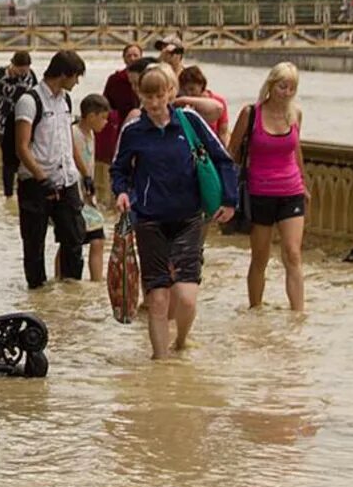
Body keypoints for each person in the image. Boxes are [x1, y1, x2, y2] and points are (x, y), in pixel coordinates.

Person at [112, 64, 238, 360]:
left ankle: (181, 340)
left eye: (159, 95)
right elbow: (120, 169)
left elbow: (223, 159)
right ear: (140, 95)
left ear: (170, 92)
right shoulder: (133, 130)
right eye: (148, 96)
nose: (154, 103)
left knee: (186, 298)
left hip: (188, 219)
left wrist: (230, 200)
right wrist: (122, 192)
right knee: (157, 298)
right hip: (149, 219)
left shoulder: (190, 121)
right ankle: (161, 363)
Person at [227, 62, 309, 312]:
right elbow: (233, 151)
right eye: (283, 86)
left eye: (292, 88)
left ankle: (298, 313)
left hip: (291, 191)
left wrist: (304, 183)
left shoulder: (295, 114)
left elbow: (296, 149)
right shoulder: (251, 113)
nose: (286, 93)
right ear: (271, 86)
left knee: (293, 254)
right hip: (259, 191)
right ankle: (256, 308)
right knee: (260, 257)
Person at [15, 50, 88, 289]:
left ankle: (70, 294)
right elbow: (22, 147)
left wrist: (85, 174)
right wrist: (41, 178)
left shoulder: (65, 100)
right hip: (36, 184)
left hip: (66, 180)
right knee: (34, 243)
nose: (77, 82)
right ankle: (37, 294)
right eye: (76, 77)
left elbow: (68, 140)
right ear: (64, 74)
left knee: (74, 240)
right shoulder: (30, 101)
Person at [66, 93, 111, 281]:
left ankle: (95, 281)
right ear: (91, 116)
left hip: (86, 196)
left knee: (96, 239)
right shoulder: (73, 133)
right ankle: (67, 280)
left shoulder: (90, 134)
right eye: (103, 118)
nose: (106, 123)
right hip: (73, 194)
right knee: (71, 243)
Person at [0, 51, 38, 197]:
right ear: (12, 64)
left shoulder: (31, 76)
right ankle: (8, 195)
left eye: (25, 69)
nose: (23, 73)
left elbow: (37, 98)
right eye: (20, 69)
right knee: (8, 161)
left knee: (24, 157)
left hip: (25, 122)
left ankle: (23, 191)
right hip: (4, 123)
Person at [95, 44, 143, 206]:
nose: (132, 58)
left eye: (136, 55)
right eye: (129, 55)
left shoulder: (151, 81)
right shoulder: (115, 80)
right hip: (119, 128)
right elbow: (106, 104)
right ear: (123, 58)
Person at [178, 65, 229, 141]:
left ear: (201, 85)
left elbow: (223, 133)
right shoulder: (180, 103)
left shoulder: (218, 101)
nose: (189, 93)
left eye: (192, 89)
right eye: (185, 90)